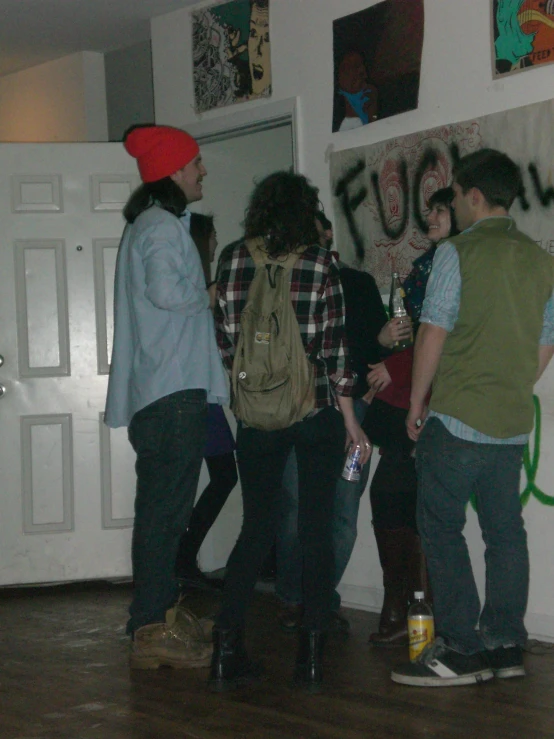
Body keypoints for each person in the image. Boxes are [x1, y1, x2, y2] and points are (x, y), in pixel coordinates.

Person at [391, 148, 554, 687]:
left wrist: (416, 404)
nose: (453, 204)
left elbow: (433, 330)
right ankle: (505, 644)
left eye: (456, 195)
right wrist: (511, 386)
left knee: (441, 527)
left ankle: (460, 649)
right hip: (509, 424)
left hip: (457, 416)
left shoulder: (456, 253)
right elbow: (546, 343)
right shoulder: (542, 260)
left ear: (474, 196)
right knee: (505, 533)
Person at [209, 171, 371, 693]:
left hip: (256, 418)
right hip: (315, 412)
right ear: (306, 213)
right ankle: (312, 657)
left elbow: (225, 342)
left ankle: (225, 650)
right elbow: (336, 350)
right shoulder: (320, 262)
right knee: (317, 528)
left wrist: (249, 396)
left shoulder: (232, 258)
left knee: (255, 529)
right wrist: (350, 420)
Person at [104, 124, 229, 670]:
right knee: (162, 515)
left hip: (163, 395)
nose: (203, 171)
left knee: (160, 512)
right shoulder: (159, 227)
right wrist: (207, 293)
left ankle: (154, 618)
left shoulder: (150, 225)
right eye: (196, 163)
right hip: (171, 395)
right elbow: (164, 290)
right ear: (175, 171)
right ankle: (150, 626)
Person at [274, 210, 391, 636]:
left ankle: (320, 598)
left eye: (320, 234)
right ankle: (292, 595)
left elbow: (377, 347)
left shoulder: (356, 283)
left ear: (328, 235)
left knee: (342, 512)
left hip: (352, 414)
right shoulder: (280, 281)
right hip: (298, 410)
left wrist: (376, 380)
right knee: (293, 509)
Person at [363, 187, 458, 647]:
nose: (431, 218)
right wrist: (386, 349)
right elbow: (409, 332)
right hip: (402, 400)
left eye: (441, 210)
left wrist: (394, 365)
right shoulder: (427, 264)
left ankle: (414, 606)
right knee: (392, 501)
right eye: (433, 210)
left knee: (411, 502)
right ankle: (401, 603)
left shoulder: (456, 263)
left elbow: (444, 338)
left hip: (432, 399)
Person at [175, 214, 239, 590]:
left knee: (217, 476)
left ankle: (183, 558)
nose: (217, 241)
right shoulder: (198, 287)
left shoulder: (200, 285)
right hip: (196, 395)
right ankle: (182, 557)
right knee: (220, 476)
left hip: (203, 393)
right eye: (213, 235)